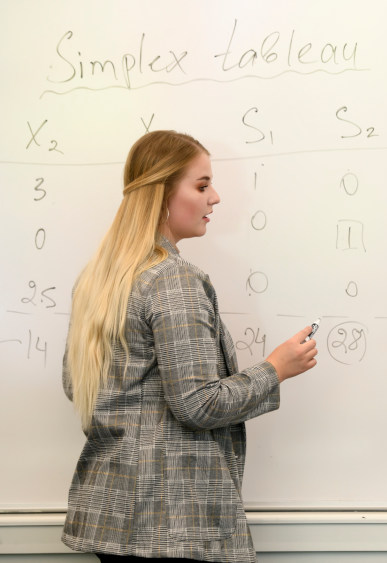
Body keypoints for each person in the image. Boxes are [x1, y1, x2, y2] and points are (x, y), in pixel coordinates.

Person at [61, 130, 318, 562]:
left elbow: (78, 387)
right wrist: (275, 368)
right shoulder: (171, 279)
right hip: (172, 524)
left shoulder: (99, 279)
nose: (214, 198)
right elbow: (198, 404)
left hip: (109, 515)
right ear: (161, 194)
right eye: (201, 186)